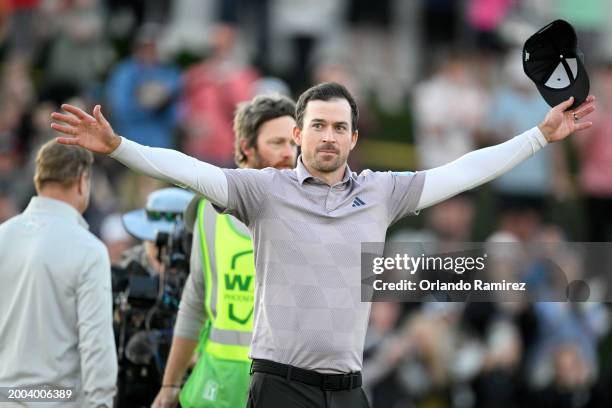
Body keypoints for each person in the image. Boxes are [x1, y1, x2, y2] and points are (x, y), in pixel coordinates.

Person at [50, 82, 595, 408]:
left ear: (354, 137)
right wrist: (119, 147)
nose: (328, 135)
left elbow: (462, 172)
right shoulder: (263, 190)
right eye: (317, 126)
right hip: (280, 386)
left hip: (349, 390)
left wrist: (538, 137)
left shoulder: (383, 192)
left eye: (339, 126)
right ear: (300, 136)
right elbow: (191, 171)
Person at [152, 94, 297, 408]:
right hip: (215, 389)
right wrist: (170, 383)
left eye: (294, 143)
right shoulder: (208, 210)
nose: (290, 154)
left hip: (282, 392)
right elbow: (195, 299)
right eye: (277, 143)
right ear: (247, 148)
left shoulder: (311, 210)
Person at [0, 140, 117, 407]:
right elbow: (96, 344)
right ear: (82, 181)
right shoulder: (89, 250)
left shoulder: (2, 237)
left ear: (38, 179)